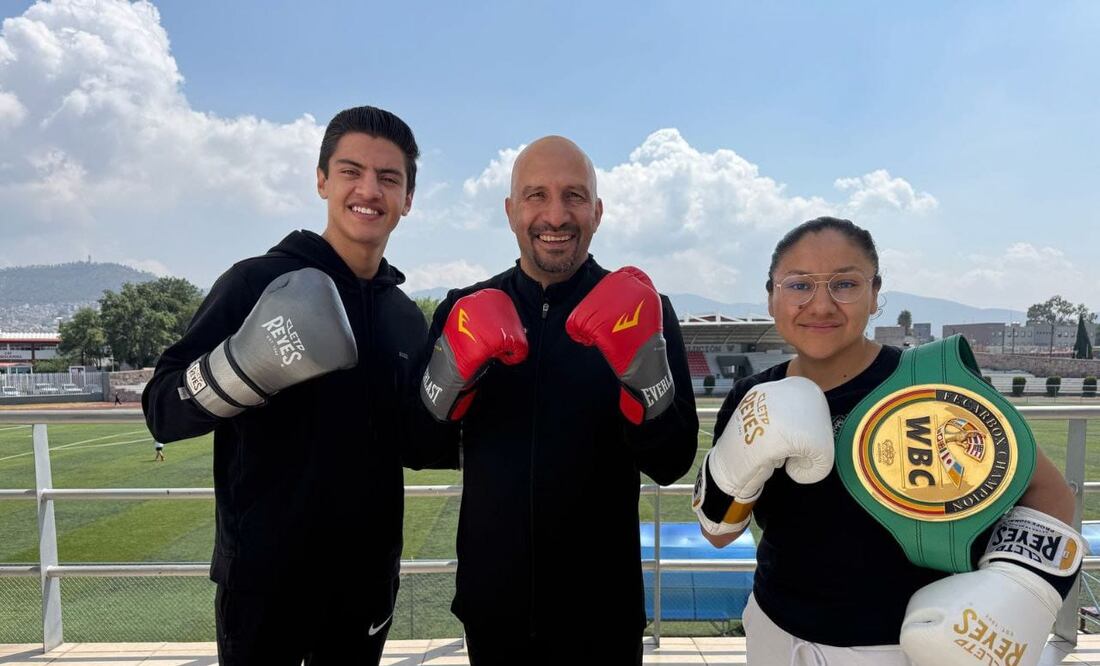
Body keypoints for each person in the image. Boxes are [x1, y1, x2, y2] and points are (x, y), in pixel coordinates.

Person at [692, 217, 1082, 665]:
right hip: (774, 632)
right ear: (772, 296)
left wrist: (1013, 588)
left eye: (845, 283)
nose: (820, 305)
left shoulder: (933, 382)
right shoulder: (752, 396)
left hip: (903, 647)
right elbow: (718, 532)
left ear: (875, 294)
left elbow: (1048, 492)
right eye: (799, 285)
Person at [143, 106, 428, 666]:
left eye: (389, 178)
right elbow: (162, 408)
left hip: (367, 581)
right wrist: (240, 367)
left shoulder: (403, 315)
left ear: (407, 199)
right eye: (351, 171)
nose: (368, 189)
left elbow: (416, 443)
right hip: (265, 582)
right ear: (322, 180)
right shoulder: (257, 281)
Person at [413, 136, 699, 665]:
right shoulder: (464, 310)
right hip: (492, 607)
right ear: (510, 211)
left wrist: (645, 381)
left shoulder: (645, 309)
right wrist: (451, 375)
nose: (555, 214)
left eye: (573, 196)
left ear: (597, 211)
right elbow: (419, 444)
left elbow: (672, 461)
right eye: (535, 195)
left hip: (603, 614)